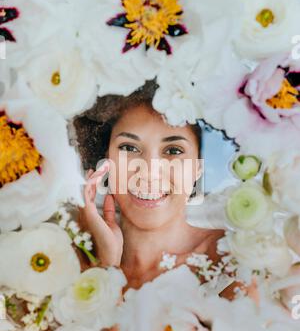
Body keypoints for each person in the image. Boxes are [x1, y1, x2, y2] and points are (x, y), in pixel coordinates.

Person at [74, 81, 252, 298]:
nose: (149, 172)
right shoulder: (69, 257)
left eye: (174, 150)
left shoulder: (236, 260)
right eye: (129, 148)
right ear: (105, 162)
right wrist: (106, 267)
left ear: (197, 169)